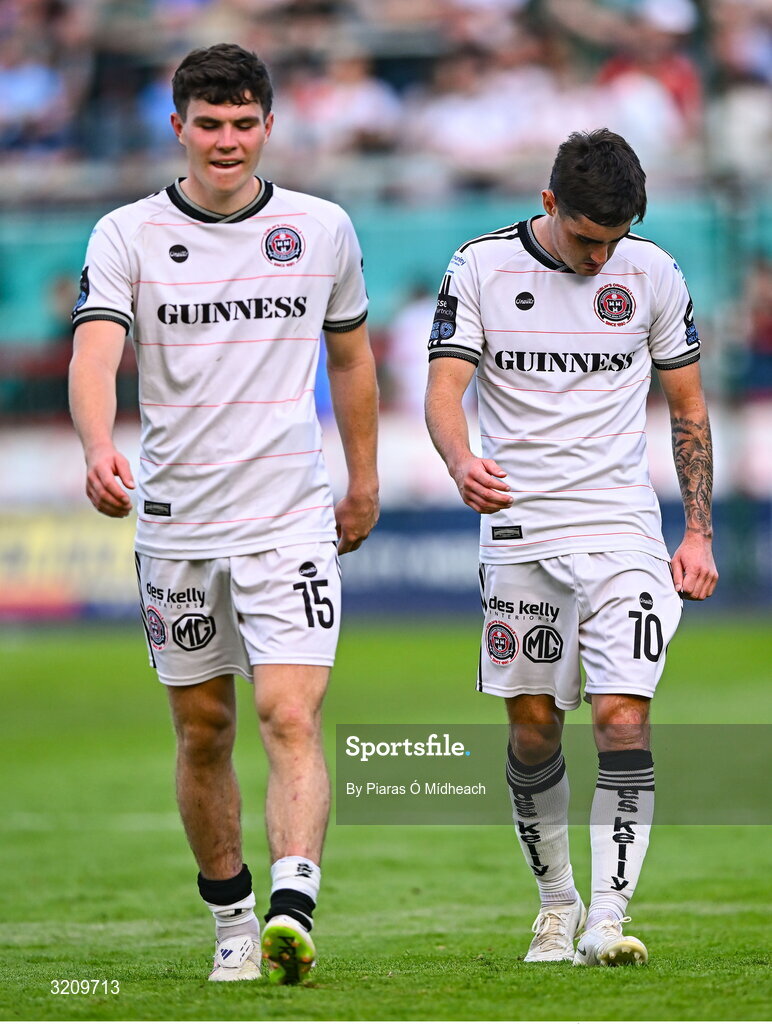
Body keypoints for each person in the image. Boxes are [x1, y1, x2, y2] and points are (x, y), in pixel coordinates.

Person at [68, 43, 379, 984]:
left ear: (270, 127)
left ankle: (292, 905)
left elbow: (353, 359)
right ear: (178, 129)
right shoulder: (124, 235)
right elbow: (94, 352)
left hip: (288, 514)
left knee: (289, 715)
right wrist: (95, 444)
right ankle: (233, 919)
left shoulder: (322, 228)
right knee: (204, 728)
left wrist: (362, 480)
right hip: (177, 524)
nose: (228, 140)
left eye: (245, 123)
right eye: (210, 124)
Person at [425, 128, 717, 967]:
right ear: (550, 204)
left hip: (624, 529)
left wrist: (696, 530)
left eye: (615, 238)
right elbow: (445, 390)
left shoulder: (654, 273)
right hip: (520, 528)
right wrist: (460, 460)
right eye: (588, 238)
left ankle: (609, 919)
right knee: (534, 730)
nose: (601, 259)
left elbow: (688, 408)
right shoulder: (480, 266)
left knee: (624, 721)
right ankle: (557, 903)